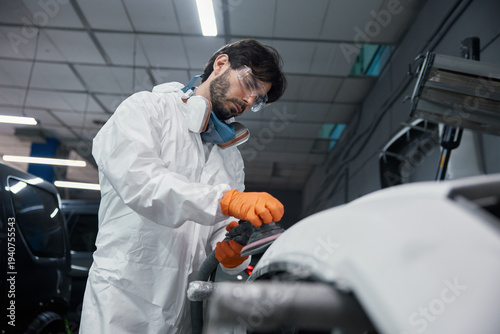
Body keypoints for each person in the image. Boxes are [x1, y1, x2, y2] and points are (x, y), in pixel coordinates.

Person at [79, 39, 287, 333]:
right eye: (250, 83)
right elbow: (144, 184)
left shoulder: (231, 158)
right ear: (220, 64)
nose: (251, 100)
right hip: (123, 301)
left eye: (259, 98)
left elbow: (220, 227)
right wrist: (225, 200)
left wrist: (232, 251)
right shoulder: (146, 109)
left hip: (185, 311)